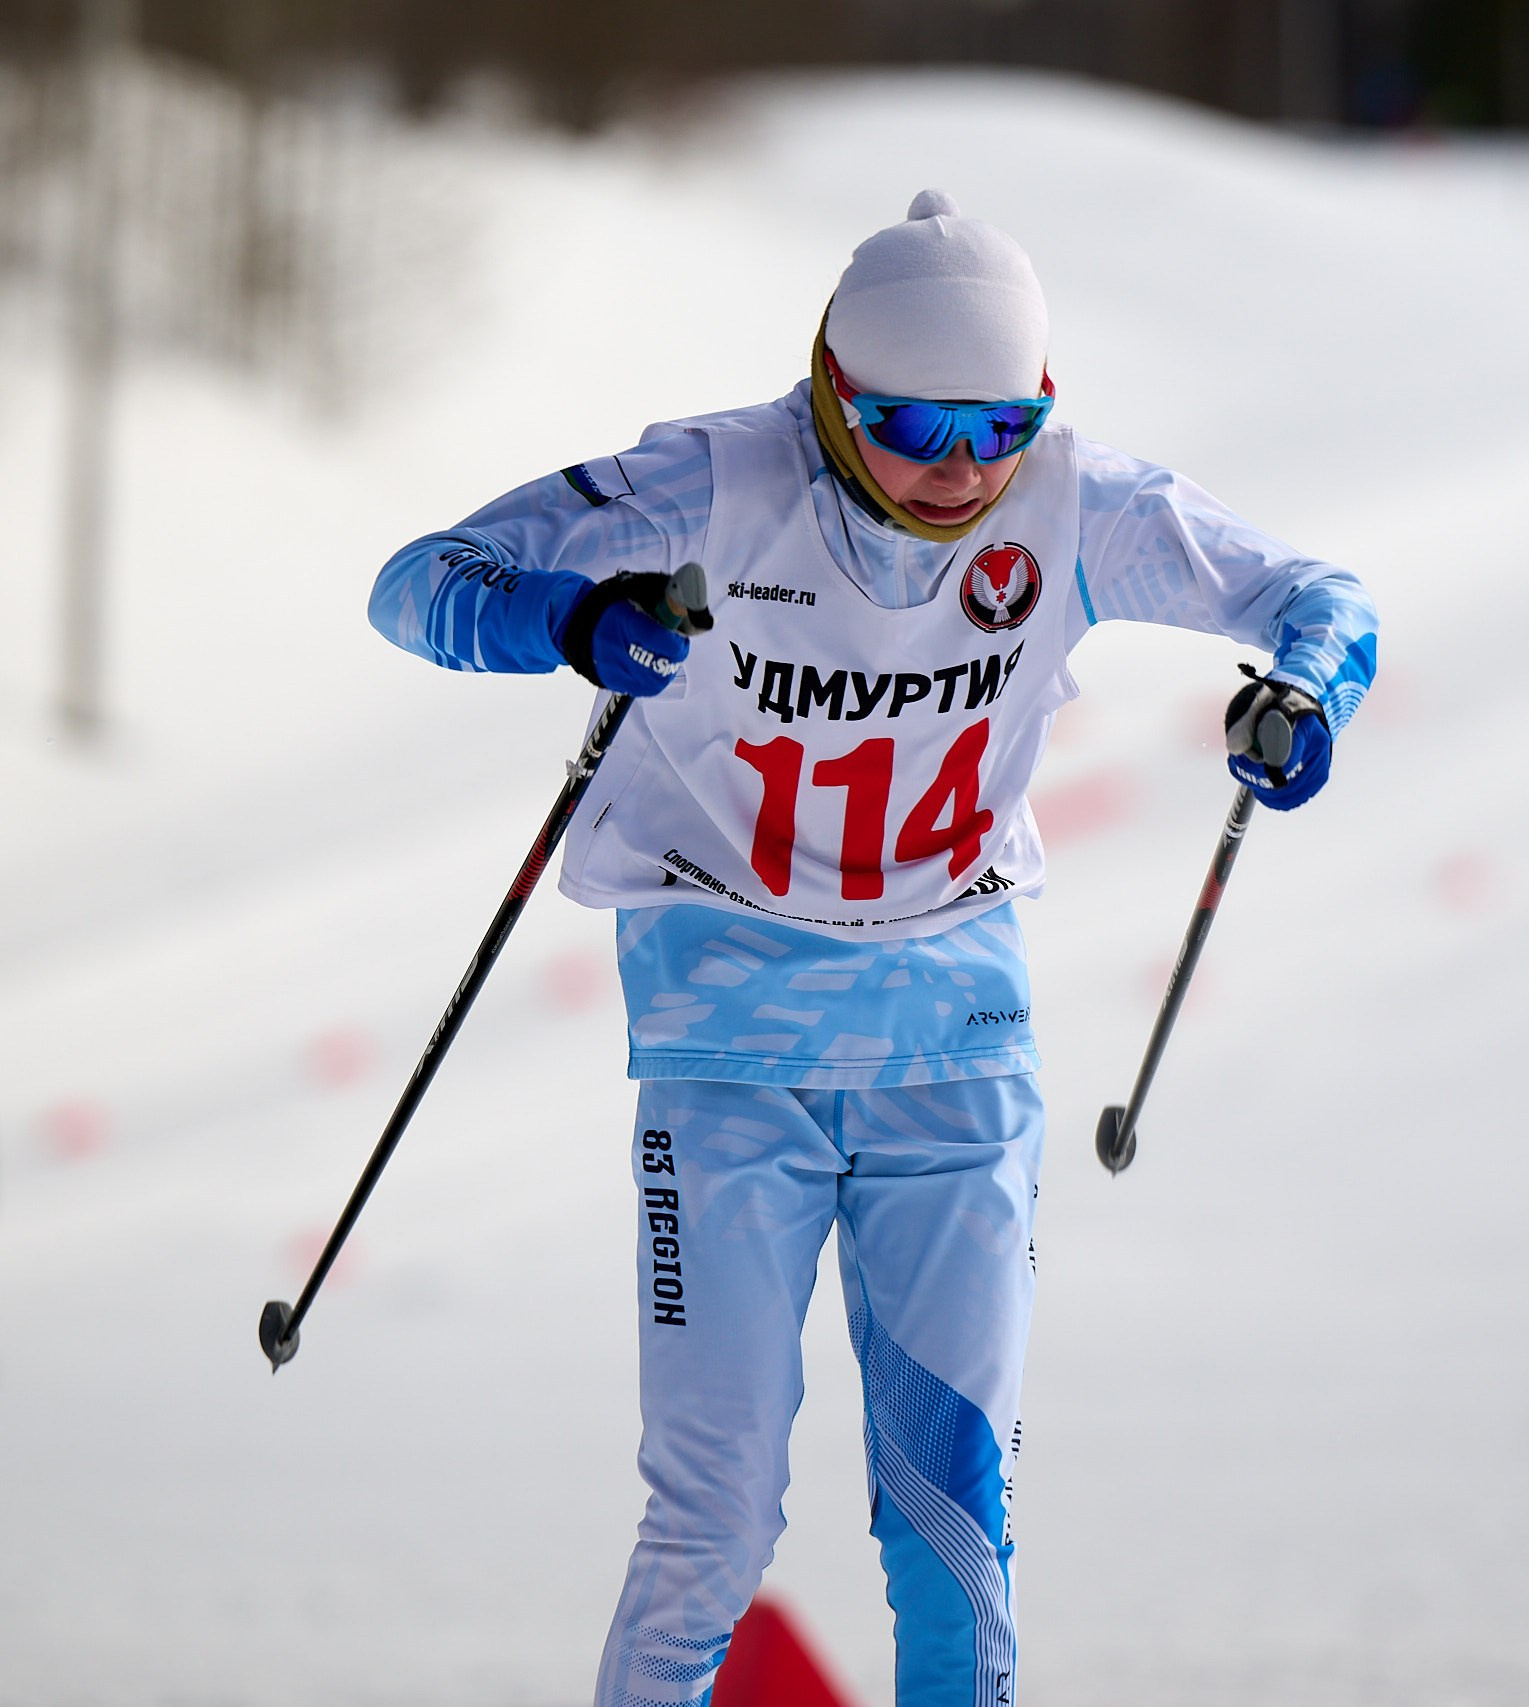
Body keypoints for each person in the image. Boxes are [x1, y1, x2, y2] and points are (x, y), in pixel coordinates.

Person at [368, 189, 1377, 1707]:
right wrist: (567, 620)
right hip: (728, 1067)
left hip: (954, 1065)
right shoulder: (706, 486)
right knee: (712, 1524)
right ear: (832, 390)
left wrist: (1302, 700)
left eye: (998, 433)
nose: (958, 475)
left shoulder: (1078, 503)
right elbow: (416, 585)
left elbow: (1324, 597)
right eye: (909, 427)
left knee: (953, 1531)